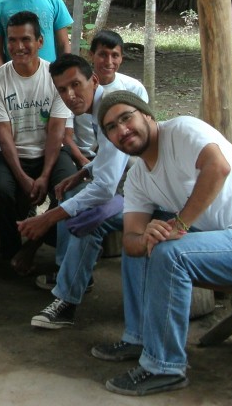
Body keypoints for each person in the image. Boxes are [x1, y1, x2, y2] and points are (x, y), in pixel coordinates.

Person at [93, 91, 232, 397]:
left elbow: (218, 167)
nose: (122, 130)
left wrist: (179, 224)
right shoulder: (138, 176)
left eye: (127, 118)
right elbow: (130, 241)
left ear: (147, 116)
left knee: (171, 253)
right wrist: (145, 235)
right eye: (111, 127)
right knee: (150, 244)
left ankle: (164, 367)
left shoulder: (182, 130)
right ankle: (138, 337)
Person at [22, 54, 143, 328]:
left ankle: (67, 295)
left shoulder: (110, 111)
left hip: (151, 196)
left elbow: (105, 187)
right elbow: (111, 159)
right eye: (62, 90)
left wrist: (47, 218)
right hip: (135, 188)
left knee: (84, 215)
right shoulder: (99, 108)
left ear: (94, 80)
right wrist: (83, 172)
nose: (70, 95)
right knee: (78, 206)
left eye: (76, 85)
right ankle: (72, 283)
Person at [0, 11, 73, 264]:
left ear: (40, 42)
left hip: (50, 152)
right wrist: (23, 177)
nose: (18, 47)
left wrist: (45, 175)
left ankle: (36, 244)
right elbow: (3, 135)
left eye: (25, 39)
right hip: (12, 154)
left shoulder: (56, 76)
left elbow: (57, 130)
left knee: (71, 190)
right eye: (12, 40)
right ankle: (11, 247)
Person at [68, 29, 147, 161]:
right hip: (84, 156)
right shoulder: (74, 88)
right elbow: (66, 134)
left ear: (122, 58)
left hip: (122, 154)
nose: (108, 61)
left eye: (115, 55)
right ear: (91, 55)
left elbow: (143, 128)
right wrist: (84, 163)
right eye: (103, 55)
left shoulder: (133, 88)